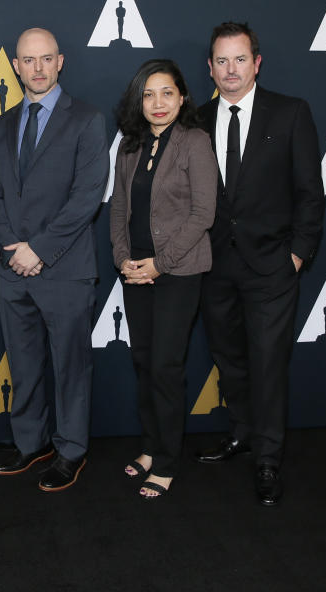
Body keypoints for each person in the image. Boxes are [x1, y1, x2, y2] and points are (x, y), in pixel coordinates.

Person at [196, 22, 324, 506]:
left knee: (268, 364)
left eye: (240, 60)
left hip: (272, 266)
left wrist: (296, 255)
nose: (231, 70)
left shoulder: (291, 114)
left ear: (257, 62)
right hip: (214, 267)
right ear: (210, 67)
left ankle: (268, 458)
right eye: (222, 61)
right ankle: (242, 433)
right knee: (230, 361)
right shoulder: (196, 119)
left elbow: (311, 193)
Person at [0, 27, 108, 492]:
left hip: (65, 269)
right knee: (24, 363)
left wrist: (40, 249)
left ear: (60, 62)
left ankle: (71, 449)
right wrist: (15, 248)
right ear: (16, 66)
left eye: (45, 59)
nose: (36, 68)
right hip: (13, 270)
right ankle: (31, 442)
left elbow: (87, 196)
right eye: (27, 60)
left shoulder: (87, 120)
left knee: (71, 367)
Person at [109, 59, 216, 499]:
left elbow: (203, 215)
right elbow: (118, 209)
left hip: (179, 273)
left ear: (183, 97)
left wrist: (159, 262)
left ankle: (168, 461)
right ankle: (152, 447)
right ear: (139, 100)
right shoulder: (129, 146)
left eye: (167, 93)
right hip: (136, 274)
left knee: (166, 368)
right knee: (143, 363)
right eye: (148, 94)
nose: (157, 103)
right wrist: (123, 259)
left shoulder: (195, 141)